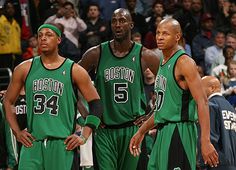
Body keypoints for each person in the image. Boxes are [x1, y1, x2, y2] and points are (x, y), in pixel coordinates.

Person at [3, 23, 103, 170]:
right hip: (32, 144)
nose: (43, 38)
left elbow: (96, 104)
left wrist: (84, 135)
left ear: (58, 40)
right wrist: (17, 131)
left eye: (48, 35)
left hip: (62, 145)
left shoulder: (74, 70)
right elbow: (8, 101)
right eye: (40, 35)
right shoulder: (24, 68)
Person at [129, 18, 219, 169]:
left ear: (177, 36)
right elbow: (162, 109)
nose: (160, 37)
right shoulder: (163, 63)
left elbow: (202, 102)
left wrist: (205, 140)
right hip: (163, 131)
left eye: (165, 34)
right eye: (158, 33)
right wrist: (141, 131)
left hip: (180, 131)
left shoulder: (184, 62)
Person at [79, 8, 160, 170]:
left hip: (133, 130)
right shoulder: (96, 53)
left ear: (131, 25)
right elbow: (70, 83)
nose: (117, 24)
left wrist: (151, 115)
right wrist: (88, 114)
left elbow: (168, 88)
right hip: (104, 132)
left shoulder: (146, 55)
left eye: (122, 21)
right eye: (114, 21)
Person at [200, 76, 236, 170]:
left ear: (212, 88)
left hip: (215, 163)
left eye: (200, 88)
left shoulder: (210, 105)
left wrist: (201, 162)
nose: (198, 91)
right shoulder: (231, 107)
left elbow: (210, 137)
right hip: (232, 162)